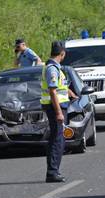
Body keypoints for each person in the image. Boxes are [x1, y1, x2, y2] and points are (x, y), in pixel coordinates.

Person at [41, 41, 70, 183]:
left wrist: (71, 93)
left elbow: (59, 88)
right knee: (57, 139)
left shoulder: (53, 67)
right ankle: (52, 172)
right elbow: (53, 91)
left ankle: (53, 171)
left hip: (55, 106)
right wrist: (58, 112)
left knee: (57, 138)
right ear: (62, 53)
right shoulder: (52, 68)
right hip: (55, 107)